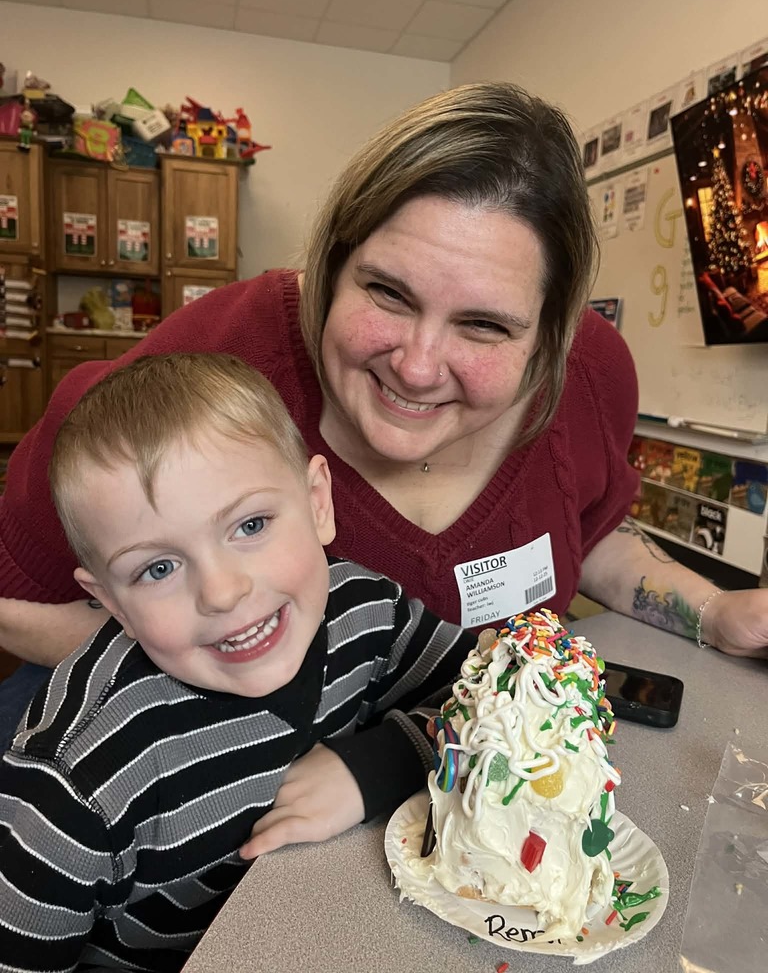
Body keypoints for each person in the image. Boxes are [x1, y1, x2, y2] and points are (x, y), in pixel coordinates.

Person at [0, 80, 765, 743]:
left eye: (485, 326)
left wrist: (712, 611)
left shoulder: (592, 374)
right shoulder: (219, 358)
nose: (417, 366)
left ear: (552, 335)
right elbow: (16, 594)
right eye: (387, 293)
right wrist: (242, 672)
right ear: (330, 266)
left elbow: (591, 532)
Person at [0, 353, 476, 973]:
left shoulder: (364, 612)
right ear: (110, 602)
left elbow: (492, 690)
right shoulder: (74, 783)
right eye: (158, 568)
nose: (222, 592)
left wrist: (377, 765)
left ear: (317, 504)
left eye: (250, 524)